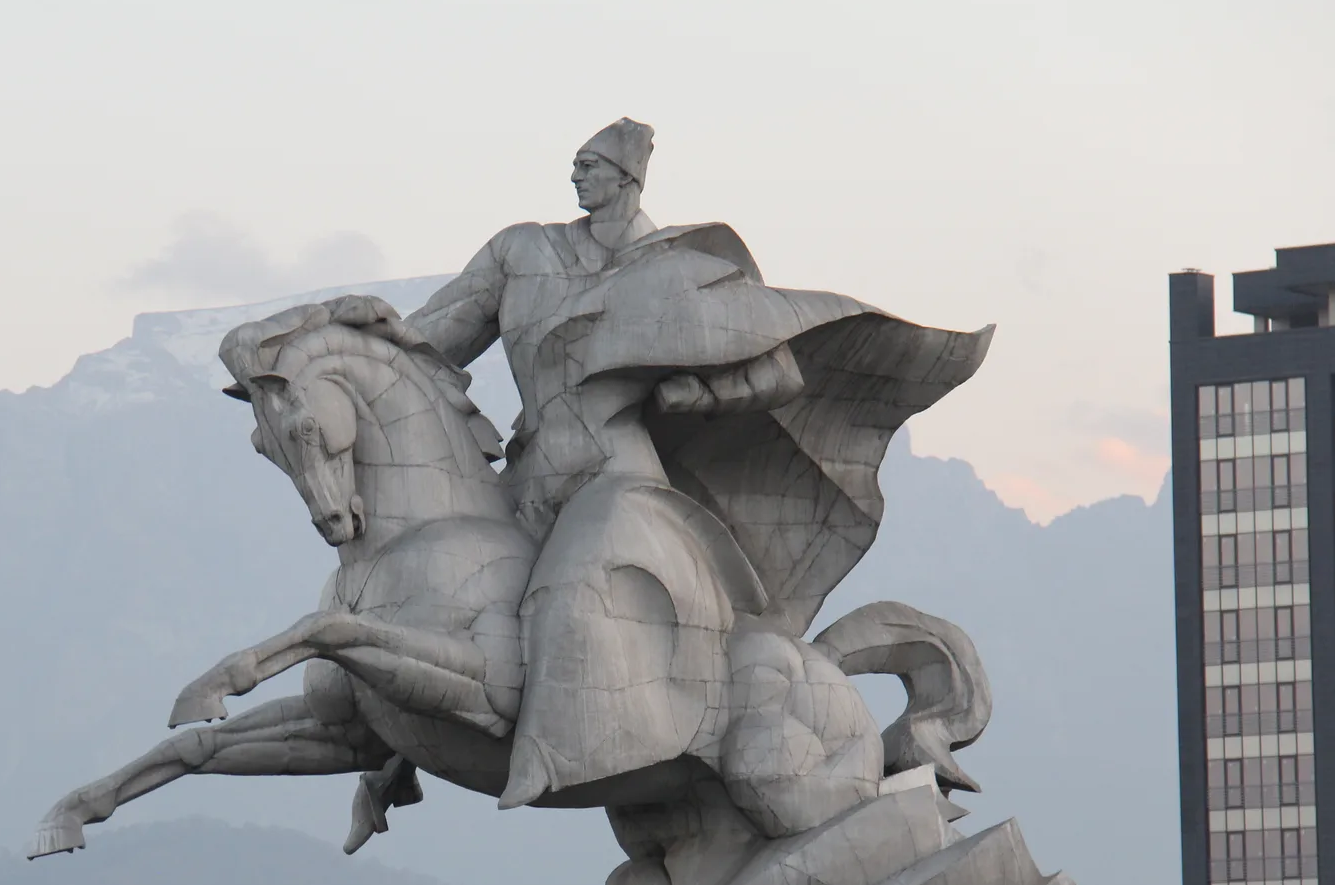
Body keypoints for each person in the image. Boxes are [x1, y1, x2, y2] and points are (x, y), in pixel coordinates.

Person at [403, 120, 989, 808]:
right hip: (530, 472)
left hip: (616, 475)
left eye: (590, 164)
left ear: (628, 176)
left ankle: (550, 750)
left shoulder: (678, 270)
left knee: (575, 584)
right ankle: (394, 745)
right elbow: (431, 334)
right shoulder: (521, 252)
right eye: (576, 164)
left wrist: (699, 394)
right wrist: (355, 333)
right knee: (441, 577)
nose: (576, 175)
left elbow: (775, 371)